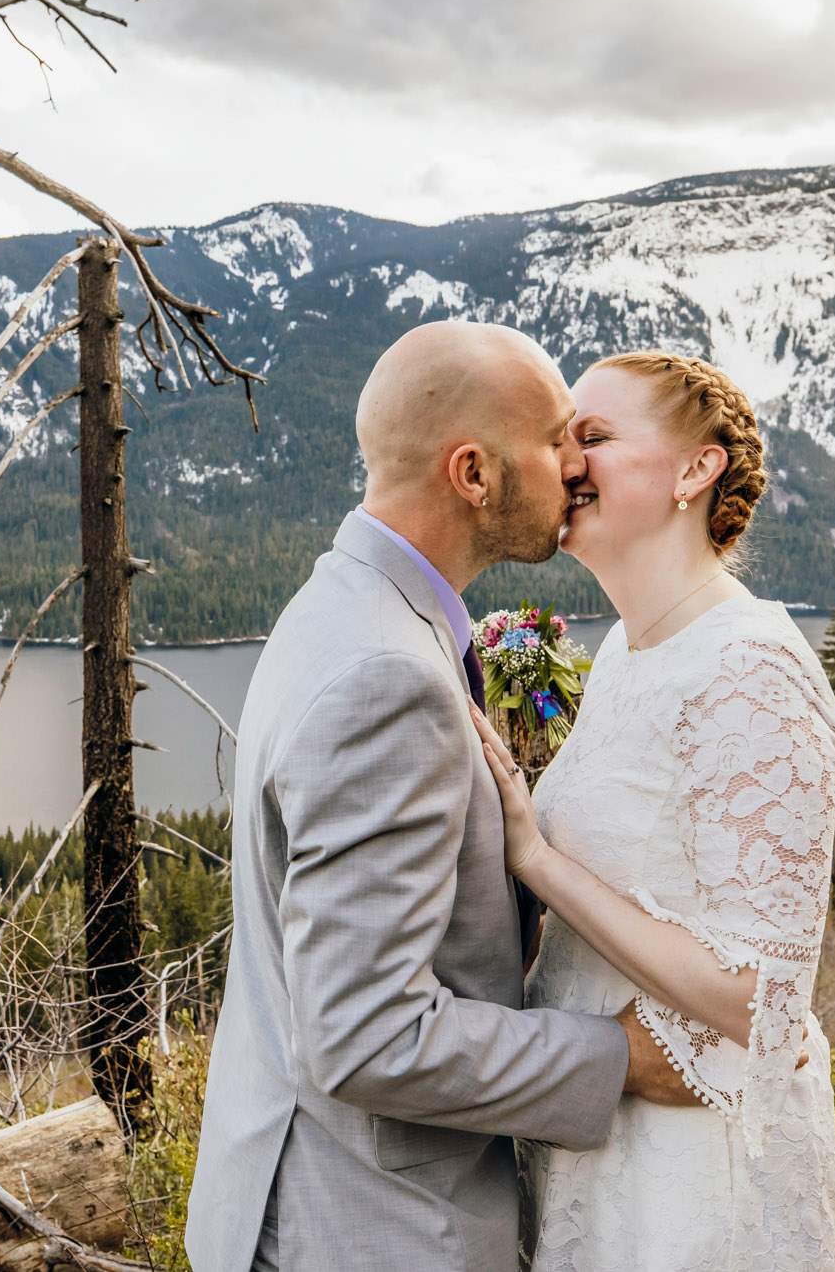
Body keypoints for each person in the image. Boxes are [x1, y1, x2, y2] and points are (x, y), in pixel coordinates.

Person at [185, 322, 702, 1272]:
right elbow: (367, 1035)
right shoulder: (387, 674)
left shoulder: (339, 605)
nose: (578, 464)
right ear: (474, 474)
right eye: (556, 440)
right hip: (366, 1230)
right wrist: (619, 1058)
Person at [474, 351, 835, 1269]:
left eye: (594, 437)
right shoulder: (627, 659)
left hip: (694, 1187)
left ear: (695, 469)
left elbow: (764, 1002)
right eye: (564, 441)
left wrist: (538, 858)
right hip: (601, 1158)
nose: (567, 464)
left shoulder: (753, 670)